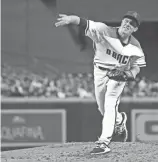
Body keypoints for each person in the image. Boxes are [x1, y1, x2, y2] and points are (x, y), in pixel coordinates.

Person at [55, 11, 146, 155]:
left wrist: (128, 74)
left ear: (135, 29)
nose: (128, 25)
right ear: (122, 21)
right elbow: (84, 22)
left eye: (133, 24)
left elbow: (137, 66)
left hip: (118, 75)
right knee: (102, 109)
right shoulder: (104, 31)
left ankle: (103, 142)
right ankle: (120, 119)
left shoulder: (135, 46)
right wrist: (70, 19)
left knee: (110, 104)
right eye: (127, 21)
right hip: (100, 71)